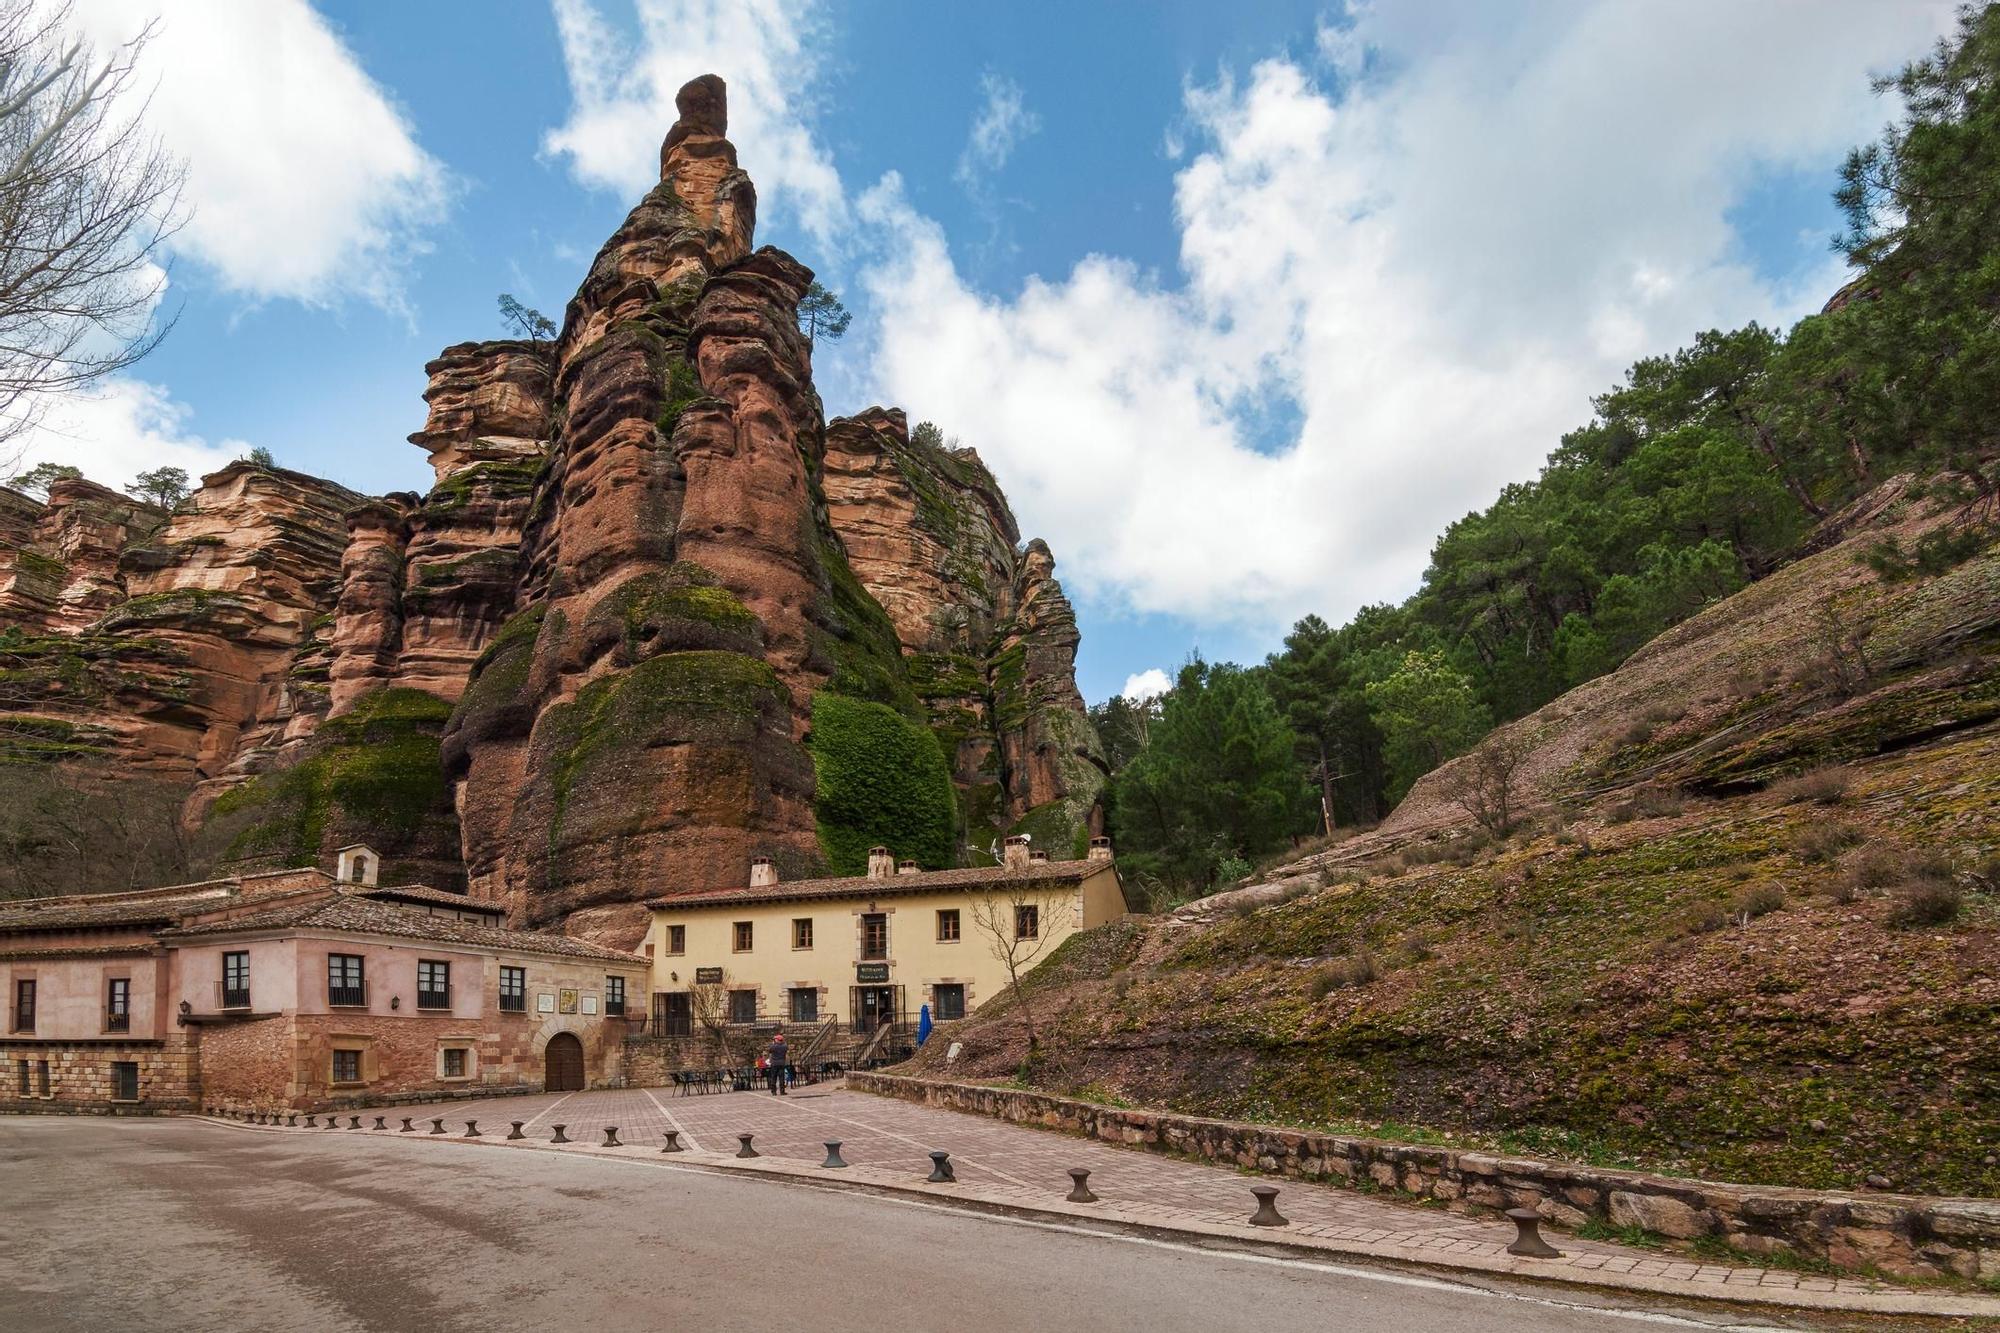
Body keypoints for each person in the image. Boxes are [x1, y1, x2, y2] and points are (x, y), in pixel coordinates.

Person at [765, 1031, 789, 1096]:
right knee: (781, 1078)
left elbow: (770, 1050)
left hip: (774, 1063)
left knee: (774, 1077)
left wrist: (774, 1043)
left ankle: (774, 1091)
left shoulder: (773, 1046)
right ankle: (782, 1091)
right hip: (781, 1063)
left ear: (777, 1040)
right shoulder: (784, 1046)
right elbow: (786, 1047)